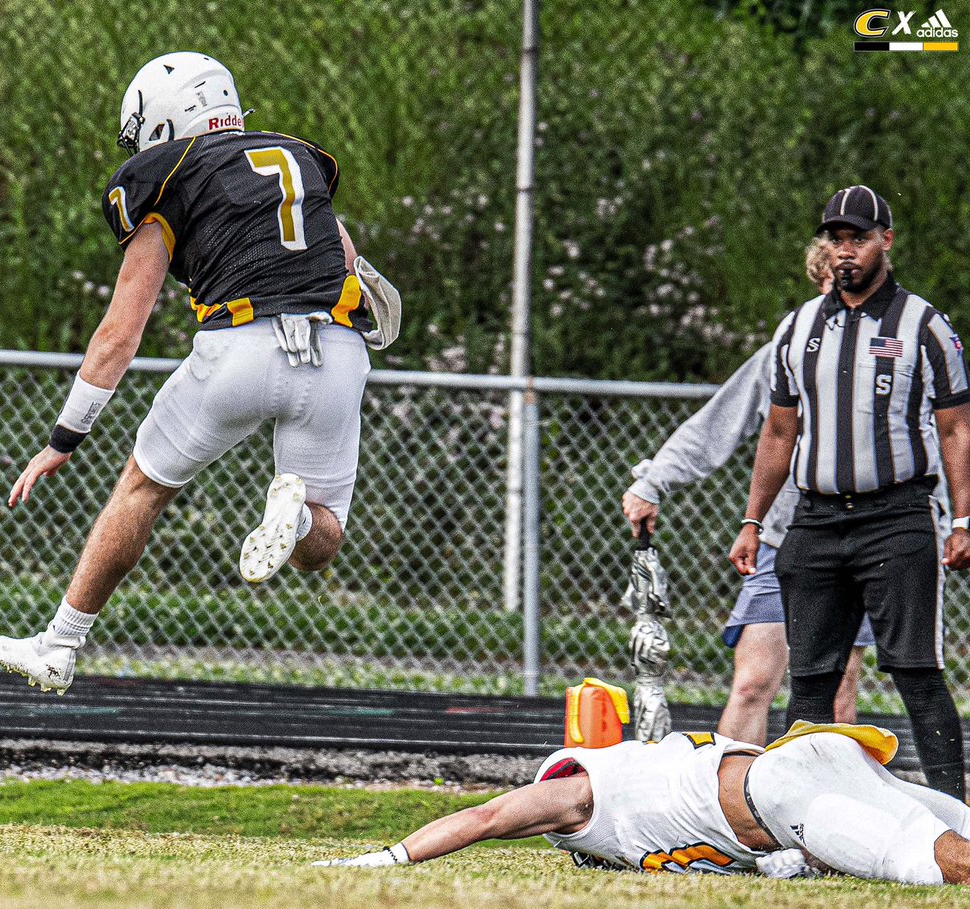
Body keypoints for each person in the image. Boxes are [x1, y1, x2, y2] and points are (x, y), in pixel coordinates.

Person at [0, 52, 397, 694]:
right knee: (323, 540)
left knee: (142, 488)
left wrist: (63, 439)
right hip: (338, 350)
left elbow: (120, 331)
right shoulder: (297, 158)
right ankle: (292, 521)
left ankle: (61, 644)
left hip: (243, 343)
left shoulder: (167, 172)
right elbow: (348, 262)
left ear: (162, 122)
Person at [730, 185, 970, 799]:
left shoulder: (923, 324)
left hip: (897, 516)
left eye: (858, 238)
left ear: (885, 242)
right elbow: (780, 428)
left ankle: (957, 819)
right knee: (810, 678)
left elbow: (955, 426)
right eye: (835, 239)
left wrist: (964, 519)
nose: (845, 252)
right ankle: (799, 820)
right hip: (814, 520)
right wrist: (753, 520)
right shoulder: (799, 325)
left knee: (916, 672)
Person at [621, 239, 874, 746]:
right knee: (753, 682)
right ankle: (732, 811)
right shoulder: (785, 351)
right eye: (831, 285)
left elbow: (934, 443)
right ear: (820, 285)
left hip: (864, 540)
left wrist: (947, 522)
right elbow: (715, 426)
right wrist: (653, 482)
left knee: (839, 687)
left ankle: (827, 811)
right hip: (786, 541)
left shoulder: (889, 354)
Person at [313, 725, 970, 884]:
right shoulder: (637, 796)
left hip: (777, 790)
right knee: (952, 829)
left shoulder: (577, 792)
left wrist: (387, 855)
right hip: (793, 769)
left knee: (931, 860)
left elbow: (485, 818)